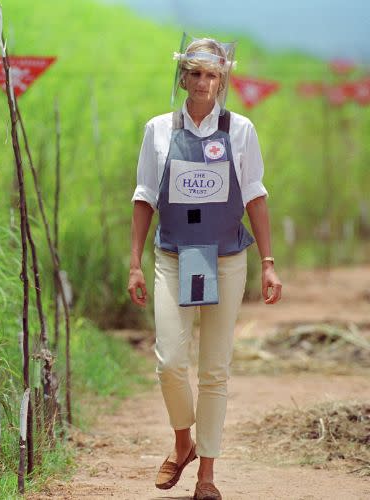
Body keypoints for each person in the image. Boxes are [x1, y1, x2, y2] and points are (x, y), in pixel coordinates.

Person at [127, 35, 282, 500]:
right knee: (170, 361)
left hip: (227, 257)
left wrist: (268, 264)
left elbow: (255, 196)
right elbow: (144, 197)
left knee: (215, 369)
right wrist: (134, 263)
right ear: (182, 77)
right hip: (173, 256)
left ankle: (207, 476)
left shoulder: (241, 131)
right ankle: (183, 442)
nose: (201, 82)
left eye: (211, 74)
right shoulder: (157, 129)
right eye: (193, 73)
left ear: (222, 79)